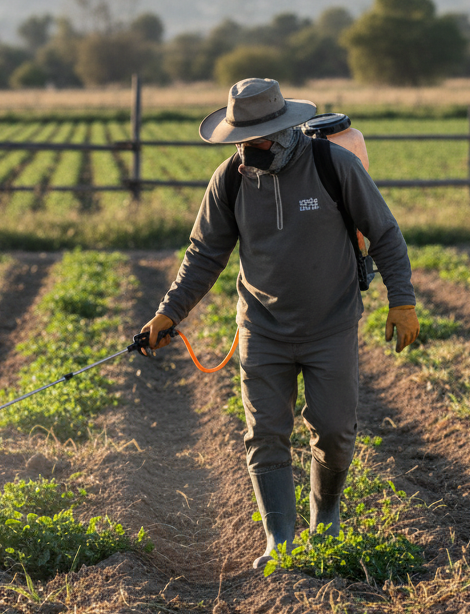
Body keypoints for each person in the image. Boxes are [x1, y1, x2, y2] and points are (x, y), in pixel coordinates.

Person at [140, 78, 419, 570]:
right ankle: (279, 541)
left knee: (334, 430)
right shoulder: (230, 180)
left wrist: (403, 300)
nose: (250, 148)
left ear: (286, 128)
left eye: (259, 137)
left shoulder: (334, 166)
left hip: (330, 325)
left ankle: (325, 518)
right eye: (242, 139)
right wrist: (169, 312)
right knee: (265, 433)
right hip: (261, 328)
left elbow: (385, 233)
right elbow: (205, 254)